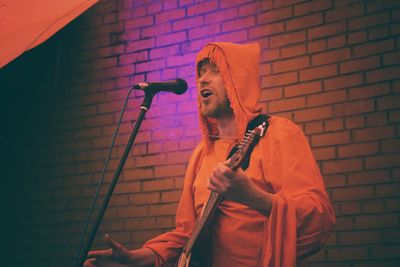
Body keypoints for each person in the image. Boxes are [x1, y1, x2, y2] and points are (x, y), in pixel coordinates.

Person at [84, 42, 335, 267]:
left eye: (214, 70)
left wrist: (253, 197)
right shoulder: (202, 153)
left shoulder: (277, 133)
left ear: (238, 80)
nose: (202, 79)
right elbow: (186, 233)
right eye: (201, 72)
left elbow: (318, 217)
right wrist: (135, 258)